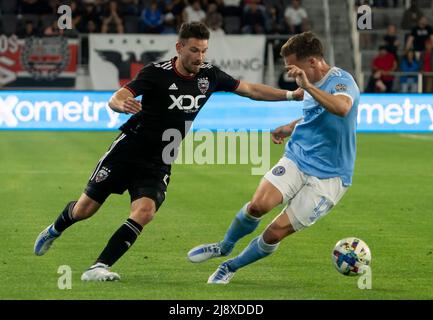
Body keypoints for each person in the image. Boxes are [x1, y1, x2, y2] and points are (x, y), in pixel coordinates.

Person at [33, 22, 303, 282]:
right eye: (194, 50)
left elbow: (251, 89)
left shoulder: (209, 75)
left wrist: (291, 95)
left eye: (204, 50)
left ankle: (99, 266)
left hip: (160, 159)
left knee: (145, 212)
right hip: (128, 150)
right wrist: (121, 105)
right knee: (84, 209)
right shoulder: (156, 73)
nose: (200, 57)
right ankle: (54, 230)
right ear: (179, 47)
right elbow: (118, 96)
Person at [188, 31, 360, 284]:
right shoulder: (307, 82)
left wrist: (308, 86)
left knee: (274, 233)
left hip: (331, 176)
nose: (290, 72)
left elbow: (342, 108)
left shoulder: (342, 82)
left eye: (293, 66)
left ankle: (231, 266)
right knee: (258, 205)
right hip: (298, 157)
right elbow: (315, 116)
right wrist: (290, 127)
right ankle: (224, 246)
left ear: (312, 62)